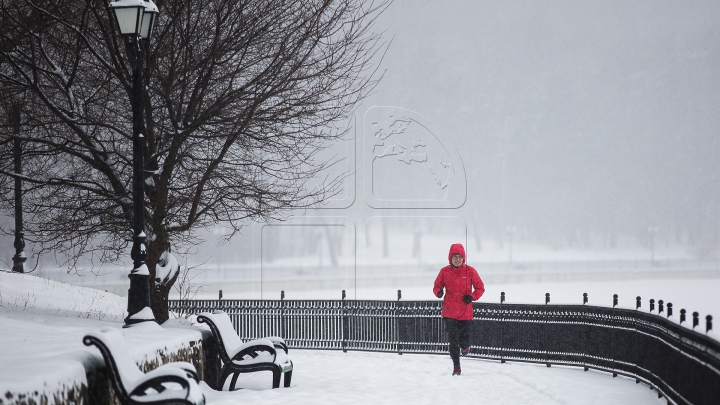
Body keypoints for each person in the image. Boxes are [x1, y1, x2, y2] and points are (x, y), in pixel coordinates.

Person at [433, 243, 485, 376]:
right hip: (449, 313)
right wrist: (439, 292)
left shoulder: (470, 271)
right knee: (453, 340)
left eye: (459, 257)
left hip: (465, 313)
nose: (457, 259)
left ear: (464, 258)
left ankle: (465, 346)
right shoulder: (444, 271)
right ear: (450, 258)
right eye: (454, 257)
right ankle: (456, 366)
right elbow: (436, 286)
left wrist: (472, 296)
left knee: (464, 338)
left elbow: (480, 288)